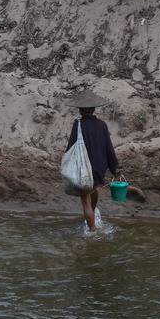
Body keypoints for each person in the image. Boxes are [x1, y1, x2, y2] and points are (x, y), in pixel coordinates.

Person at [65, 88, 120, 232]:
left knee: (85, 200)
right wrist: (114, 167)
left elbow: (71, 147)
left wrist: (66, 163)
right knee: (93, 189)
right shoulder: (102, 125)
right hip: (98, 167)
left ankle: (92, 231)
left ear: (80, 110)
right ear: (94, 109)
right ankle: (93, 216)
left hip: (84, 168)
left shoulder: (78, 125)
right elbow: (109, 148)